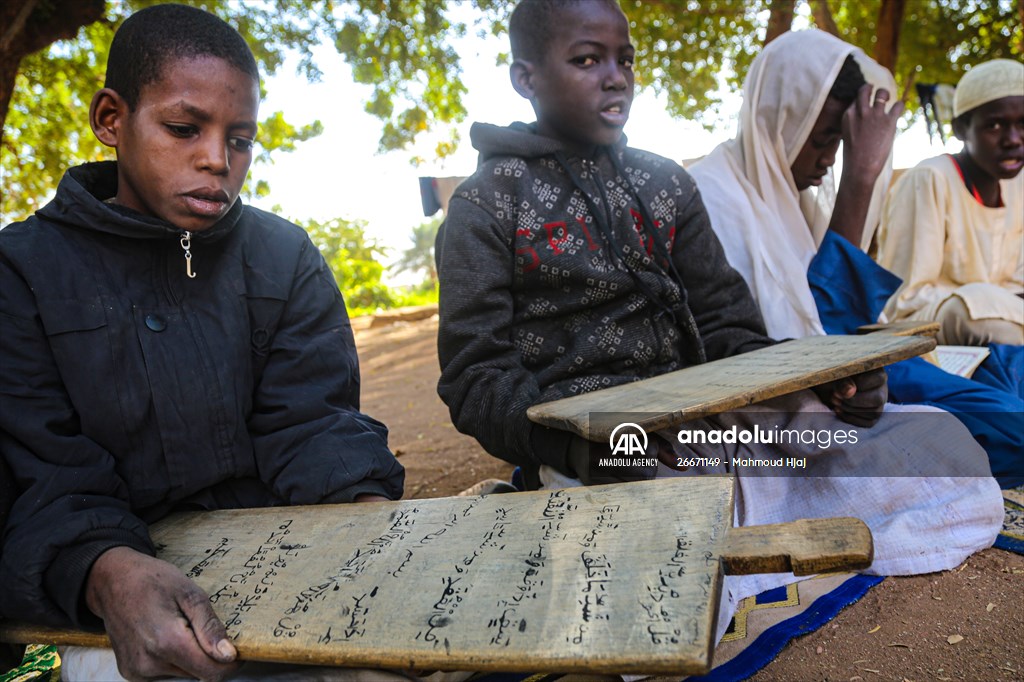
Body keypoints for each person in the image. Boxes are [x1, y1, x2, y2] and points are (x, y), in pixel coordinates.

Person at [436, 0, 1002, 641]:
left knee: (936, 444)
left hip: (712, 426)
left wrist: (827, 381)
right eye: (587, 60)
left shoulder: (666, 184)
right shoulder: (486, 205)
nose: (616, 77)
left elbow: (731, 328)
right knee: (650, 540)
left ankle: (741, 536)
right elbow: (476, 379)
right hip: (604, 448)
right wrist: (575, 443)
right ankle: (719, 545)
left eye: (624, 59)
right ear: (526, 77)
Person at [0, 6, 405, 680]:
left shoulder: (284, 256)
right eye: (184, 129)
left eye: (240, 140)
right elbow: (49, 480)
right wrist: (106, 574)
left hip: (291, 564)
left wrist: (365, 523)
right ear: (110, 119)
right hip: (118, 601)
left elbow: (314, 424)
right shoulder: (21, 272)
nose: (217, 160)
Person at [688, 31, 1023, 488]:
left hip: (872, 366)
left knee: (1012, 369)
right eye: (825, 139)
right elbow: (817, 340)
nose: (830, 159)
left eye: (840, 145)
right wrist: (860, 177)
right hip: (822, 394)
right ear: (781, 119)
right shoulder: (713, 196)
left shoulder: (794, 201)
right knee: (1011, 425)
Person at [875, 59, 1024, 347]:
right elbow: (905, 297)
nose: (1013, 140)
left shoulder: (1018, 182)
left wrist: (1001, 300)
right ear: (960, 129)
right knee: (984, 317)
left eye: (1023, 124)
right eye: (994, 125)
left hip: (1009, 313)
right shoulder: (930, 179)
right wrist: (986, 297)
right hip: (928, 322)